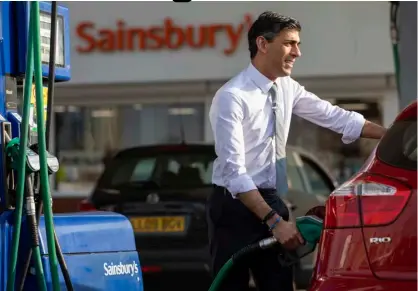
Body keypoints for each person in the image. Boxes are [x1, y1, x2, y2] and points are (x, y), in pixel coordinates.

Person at [206, 11, 387, 291]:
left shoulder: (286, 88)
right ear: (263, 44)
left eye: (298, 44)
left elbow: (336, 117)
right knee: (231, 286)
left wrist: (395, 135)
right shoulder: (232, 97)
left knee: (279, 285)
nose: (298, 52)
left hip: (270, 198)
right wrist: (275, 221)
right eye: (290, 43)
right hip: (235, 206)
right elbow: (234, 173)